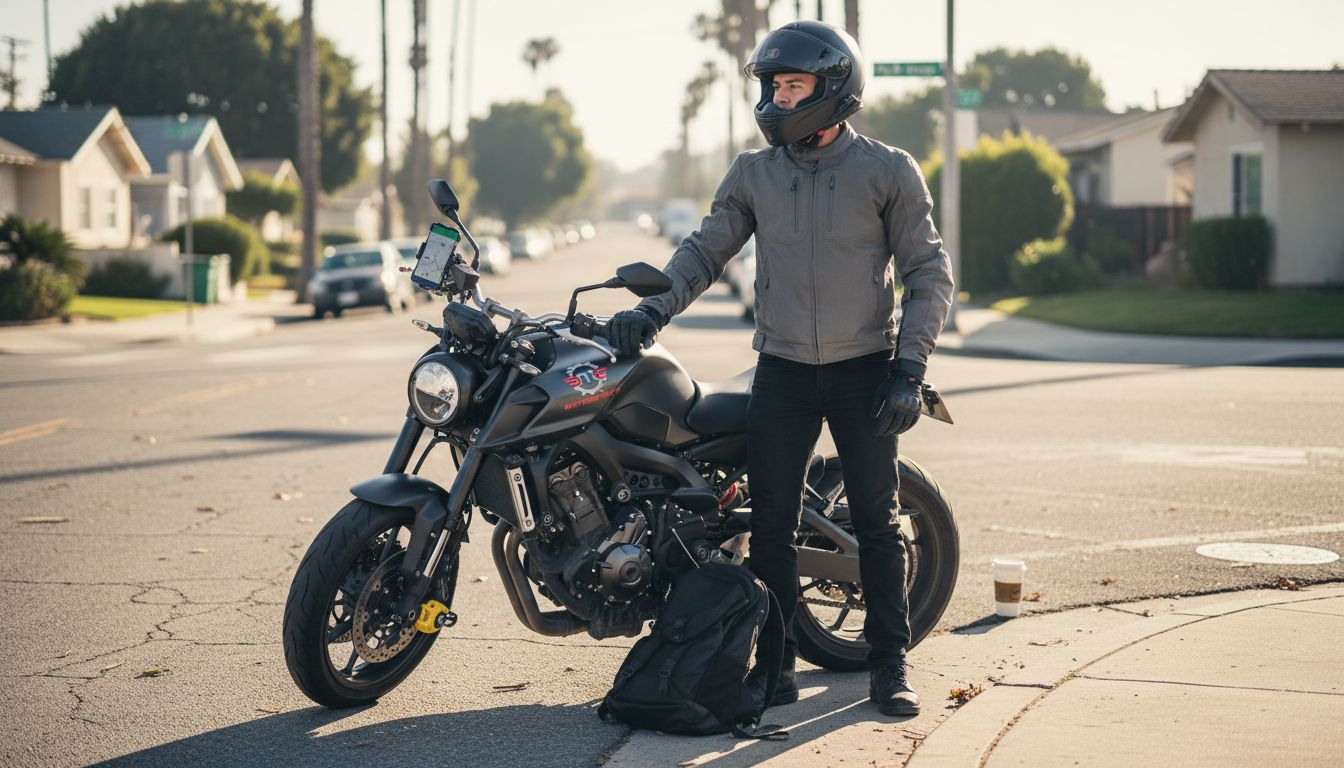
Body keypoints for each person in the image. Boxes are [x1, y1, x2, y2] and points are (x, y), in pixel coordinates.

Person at [607, 20, 953, 717]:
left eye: (793, 85)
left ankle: (889, 665)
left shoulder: (888, 170)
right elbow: (703, 254)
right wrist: (652, 313)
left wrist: (908, 369)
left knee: (879, 526)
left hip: (865, 369)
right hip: (784, 370)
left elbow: (928, 272)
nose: (777, 98)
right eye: (772, 85)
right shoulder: (754, 174)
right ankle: (774, 669)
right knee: (769, 529)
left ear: (833, 89)